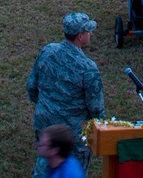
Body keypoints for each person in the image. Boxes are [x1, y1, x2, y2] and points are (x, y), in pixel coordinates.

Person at [26, 12, 104, 176]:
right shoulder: (87, 68)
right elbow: (95, 107)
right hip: (72, 133)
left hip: (44, 122)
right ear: (80, 36)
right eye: (88, 32)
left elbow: (32, 86)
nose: (91, 34)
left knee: (46, 162)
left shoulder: (47, 51)